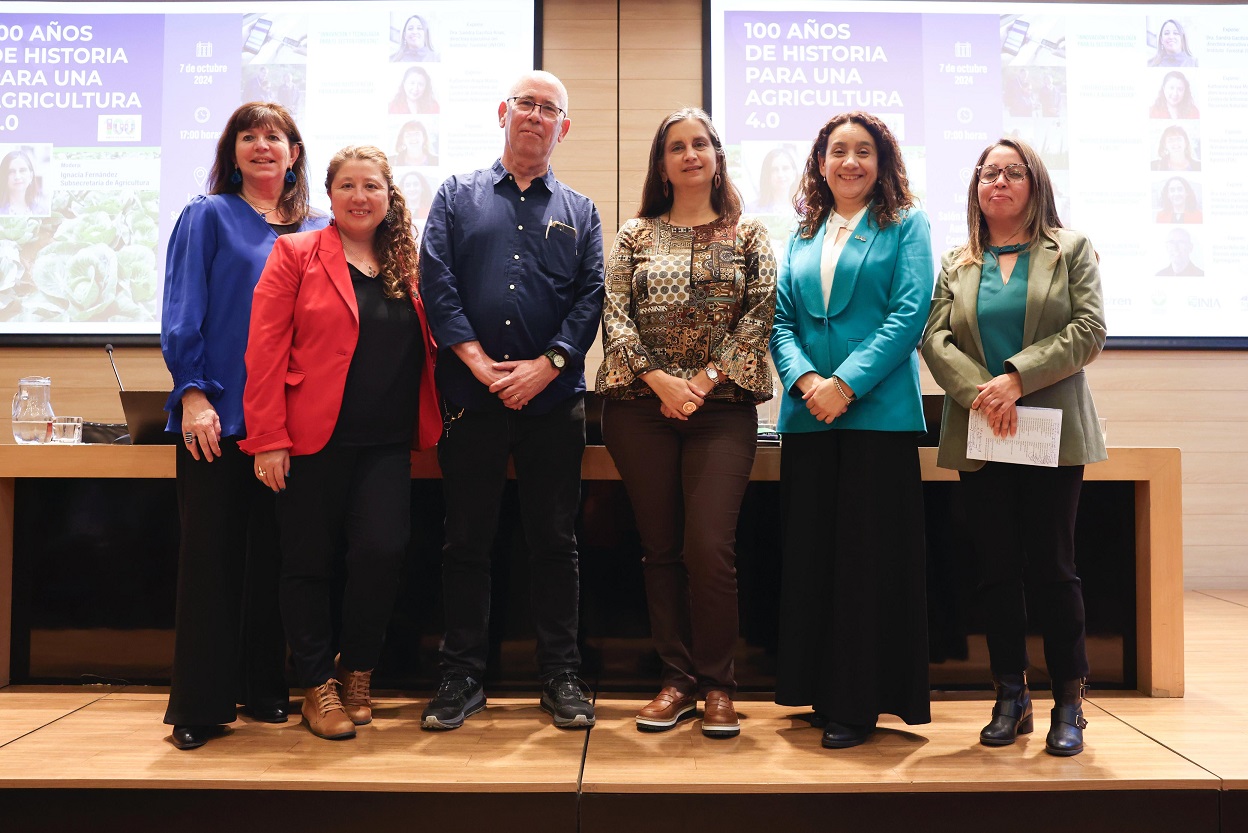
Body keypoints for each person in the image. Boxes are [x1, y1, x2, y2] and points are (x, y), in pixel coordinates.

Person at [419, 70, 604, 731]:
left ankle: (560, 674)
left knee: (555, 541)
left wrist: (547, 365)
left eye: (547, 107)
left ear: (563, 126)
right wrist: (476, 360)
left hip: (553, 401)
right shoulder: (455, 195)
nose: (534, 115)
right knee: (466, 539)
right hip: (471, 396)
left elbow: (591, 297)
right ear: (503, 111)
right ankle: (462, 675)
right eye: (524, 103)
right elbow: (435, 281)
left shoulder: (581, 210)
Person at [241, 145, 441, 740]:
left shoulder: (407, 263)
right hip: (308, 441)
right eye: (349, 185)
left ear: (388, 196)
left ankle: (356, 670)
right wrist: (268, 438)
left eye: (372, 186)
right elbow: (265, 351)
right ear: (331, 194)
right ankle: (315, 685)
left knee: (382, 553)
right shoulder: (296, 252)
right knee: (306, 563)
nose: (361, 196)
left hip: (385, 442)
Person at [921, 138, 1107, 757]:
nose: (997, 180)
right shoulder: (957, 260)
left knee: (1054, 569)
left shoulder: (1070, 249)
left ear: (1035, 183)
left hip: (1052, 434)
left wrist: (1017, 378)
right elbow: (935, 335)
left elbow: (1088, 329)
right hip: (983, 431)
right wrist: (984, 392)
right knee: (996, 570)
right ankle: (1010, 694)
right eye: (986, 172)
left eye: (1011, 171)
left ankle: (1070, 702)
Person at [596, 109, 776, 738]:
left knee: (710, 547)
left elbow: (759, 317)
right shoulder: (635, 234)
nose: (690, 154)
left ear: (717, 155)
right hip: (638, 410)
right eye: (677, 146)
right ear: (663, 163)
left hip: (720, 413)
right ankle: (676, 680)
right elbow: (614, 316)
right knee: (661, 548)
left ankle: (720, 684)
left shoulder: (749, 234)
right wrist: (660, 382)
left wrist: (699, 384)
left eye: (701, 143)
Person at [160, 102, 327, 750]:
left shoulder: (319, 229)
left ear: (294, 152)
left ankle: (264, 688)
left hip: (290, 426)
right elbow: (183, 311)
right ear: (233, 152)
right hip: (218, 420)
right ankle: (200, 705)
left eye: (275, 137)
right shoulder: (206, 216)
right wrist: (194, 394)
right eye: (248, 137)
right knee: (211, 561)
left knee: (277, 562)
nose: (262, 146)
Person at [769, 111, 934, 750]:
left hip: (876, 416)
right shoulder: (802, 230)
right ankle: (820, 688)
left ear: (883, 161)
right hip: (810, 417)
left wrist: (846, 384)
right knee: (813, 557)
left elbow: (908, 313)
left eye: (864, 151)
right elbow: (782, 319)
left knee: (865, 563)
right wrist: (808, 382)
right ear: (819, 161)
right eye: (838, 151)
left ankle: (859, 703)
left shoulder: (906, 224)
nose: (850, 162)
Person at [748, 146, 799, 215]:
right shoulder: (751, 210)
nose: (780, 175)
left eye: (785, 168)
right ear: (767, 175)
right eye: (774, 170)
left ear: (794, 173)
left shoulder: (806, 208)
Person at [0, 148, 48, 215]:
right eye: (11, 172)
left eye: (22, 170)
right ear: (4, 177)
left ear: (31, 176)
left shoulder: (42, 211)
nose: (17, 176)